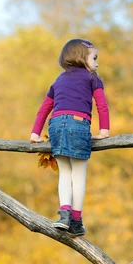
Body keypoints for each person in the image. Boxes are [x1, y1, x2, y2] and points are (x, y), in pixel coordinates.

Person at [30, 38, 110, 236]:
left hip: (56, 125)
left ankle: (64, 213)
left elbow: (45, 108)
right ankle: (76, 220)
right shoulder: (93, 78)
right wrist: (104, 131)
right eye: (94, 58)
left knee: (65, 172)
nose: (97, 63)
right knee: (79, 174)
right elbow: (102, 105)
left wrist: (35, 133)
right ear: (82, 58)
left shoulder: (58, 80)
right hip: (78, 124)